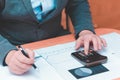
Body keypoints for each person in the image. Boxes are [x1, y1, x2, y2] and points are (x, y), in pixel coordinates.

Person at [0, 0, 106, 75]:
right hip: (11, 44)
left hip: (56, 38)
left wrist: (85, 31)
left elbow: (77, 3)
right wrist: (8, 54)